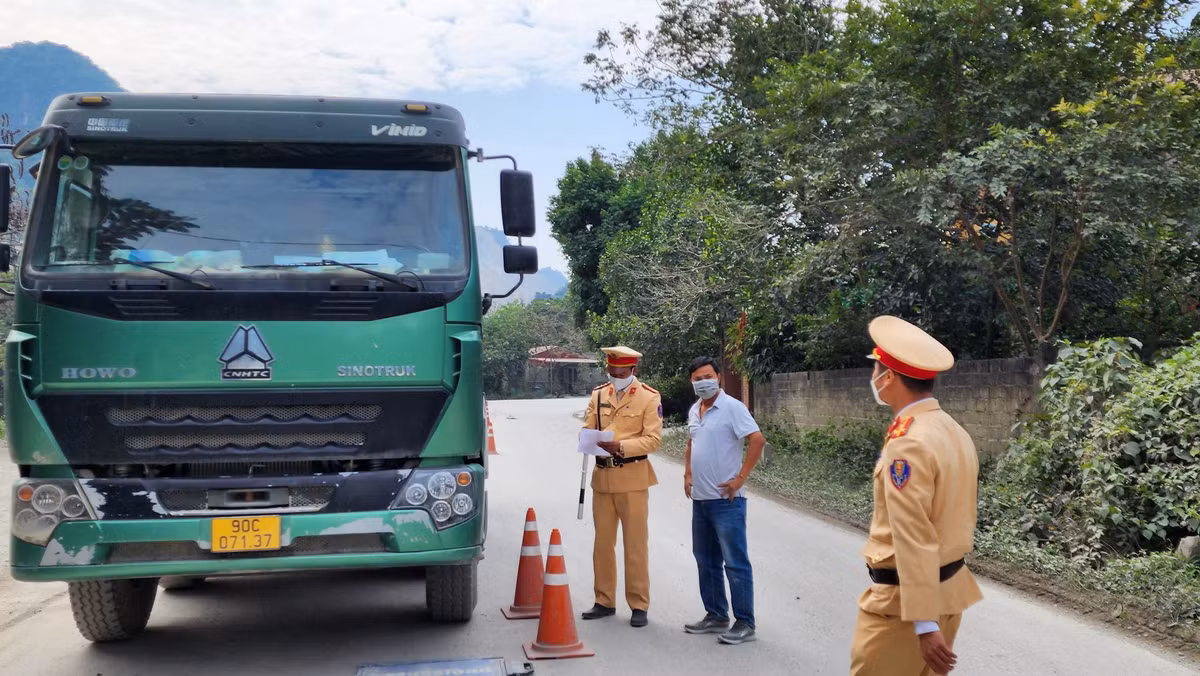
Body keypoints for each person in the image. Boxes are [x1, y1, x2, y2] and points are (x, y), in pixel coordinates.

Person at [850, 316, 984, 676]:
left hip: (903, 609)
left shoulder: (908, 443)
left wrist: (924, 625)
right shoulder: (952, 430)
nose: (873, 377)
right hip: (948, 592)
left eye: (876, 368)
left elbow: (913, 535)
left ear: (889, 377)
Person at [682, 356, 766, 646]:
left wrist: (740, 478)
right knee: (705, 560)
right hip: (701, 500)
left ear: (718, 377)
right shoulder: (695, 410)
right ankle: (716, 614)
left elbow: (757, 440)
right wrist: (687, 473)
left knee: (735, 562)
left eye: (708, 376)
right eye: (697, 378)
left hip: (727, 501)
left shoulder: (733, 407)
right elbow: (692, 442)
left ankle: (745, 622)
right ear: (691, 382)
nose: (703, 382)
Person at [579, 345, 663, 628]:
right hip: (602, 479)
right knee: (602, 545)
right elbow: (588, 427)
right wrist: (587, 438)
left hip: (633, 479)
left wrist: (621, 446)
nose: (615, 376)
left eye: (621, 372)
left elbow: (653, 440)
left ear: (632, 370)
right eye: (611, 371)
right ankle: (604, 601)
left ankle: (639, 604)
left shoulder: (649, 397)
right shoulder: (598, 394)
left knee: (635, 545)